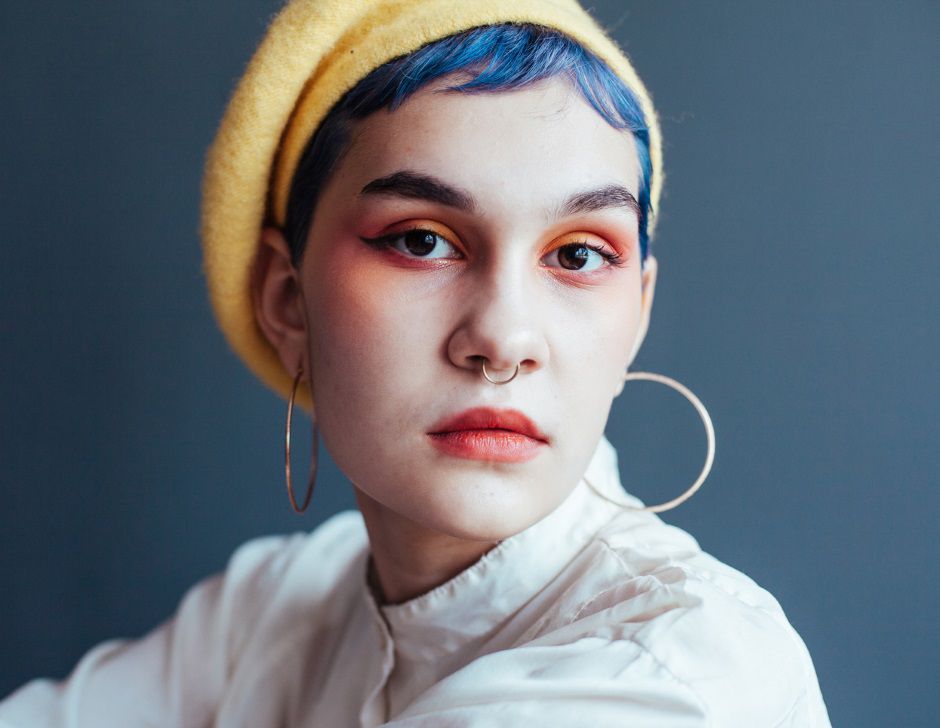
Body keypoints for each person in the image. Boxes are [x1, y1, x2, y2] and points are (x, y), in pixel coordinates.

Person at [0, 1, 832, 726]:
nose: (504, 338)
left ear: (637, 314)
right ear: (288, 300)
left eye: (578, 255)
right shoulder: (281, 607)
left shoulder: (684, 677)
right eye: (423, 240)